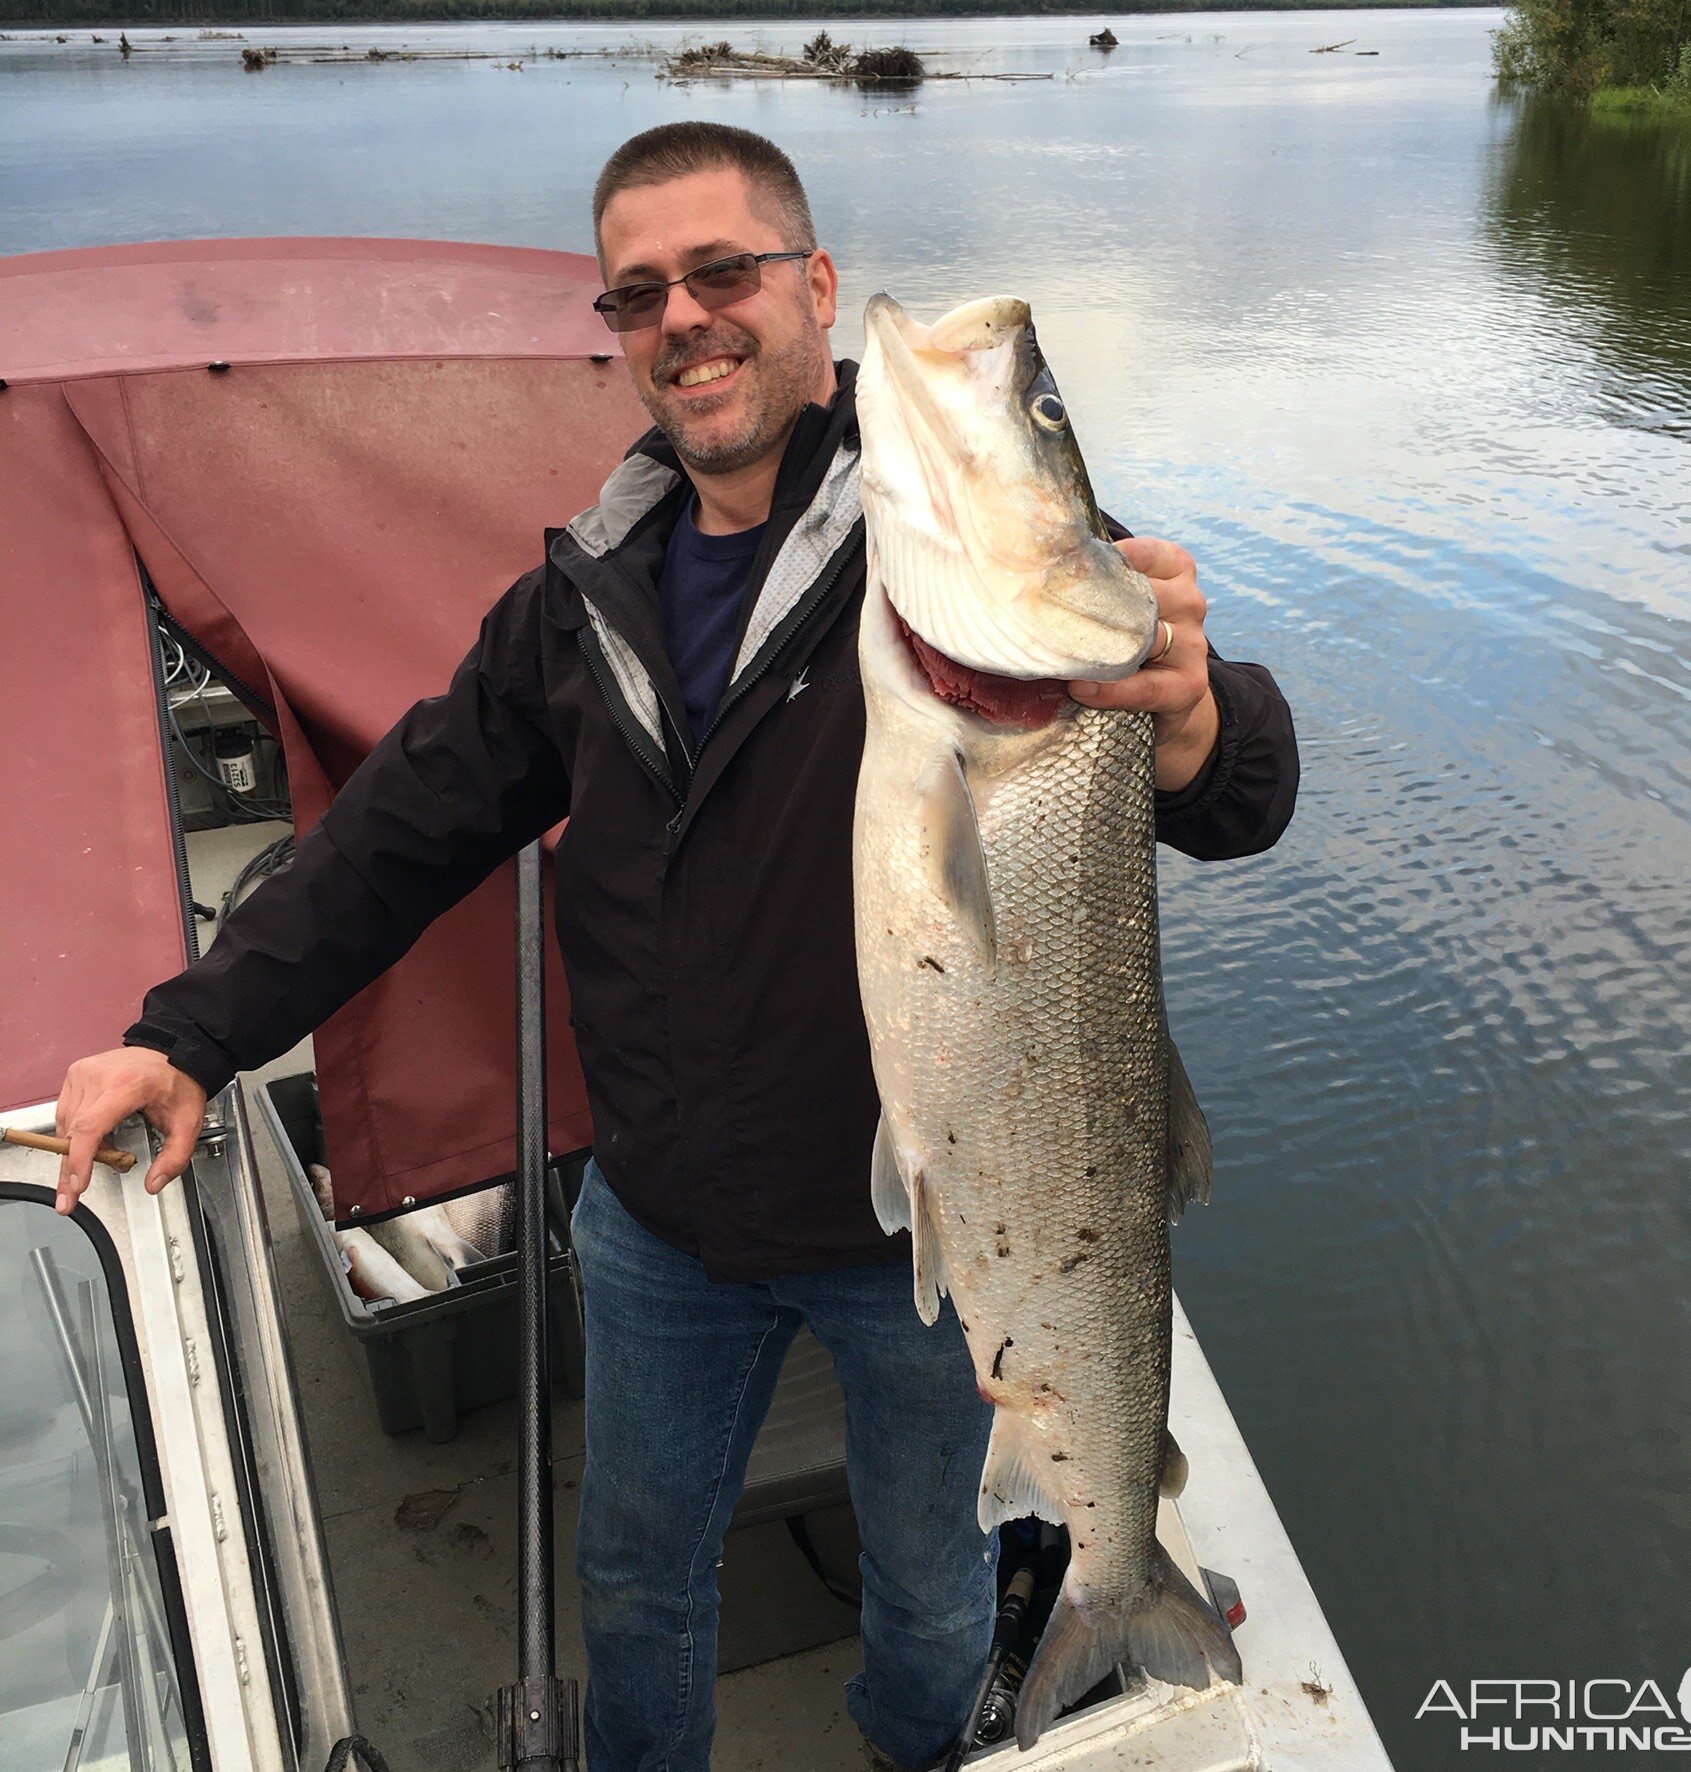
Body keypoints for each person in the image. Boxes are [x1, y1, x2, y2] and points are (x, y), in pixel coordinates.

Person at [51, 123, 1300, 1772]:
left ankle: (925, 1747)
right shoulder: (580, 595)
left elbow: (1239, 792)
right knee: (634, 1579)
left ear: (816, 289)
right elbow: (395, 832)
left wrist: (1198, 716)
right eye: (639, 294)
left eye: (726, 273)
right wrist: (191, 1030)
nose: (686, 319)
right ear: (618, 332)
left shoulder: (966, 553)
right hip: (653, 1219)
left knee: (926, 1589)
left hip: (924, 1238)